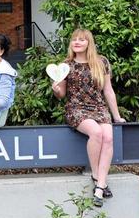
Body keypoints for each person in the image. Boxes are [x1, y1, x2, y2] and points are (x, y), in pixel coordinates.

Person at [51, 28, 125, 207]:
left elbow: (108, 90)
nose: (77, 42)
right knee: (96, 133)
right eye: (74, 39)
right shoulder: (66, 65)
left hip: (99, 108)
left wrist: (116, 116)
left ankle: (100, 185)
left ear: (88, 43)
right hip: (76, 108)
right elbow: (62, 94)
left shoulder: (102, 62)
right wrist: (56, 90)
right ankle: (96, 176)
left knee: (108, 136)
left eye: (81, 40)